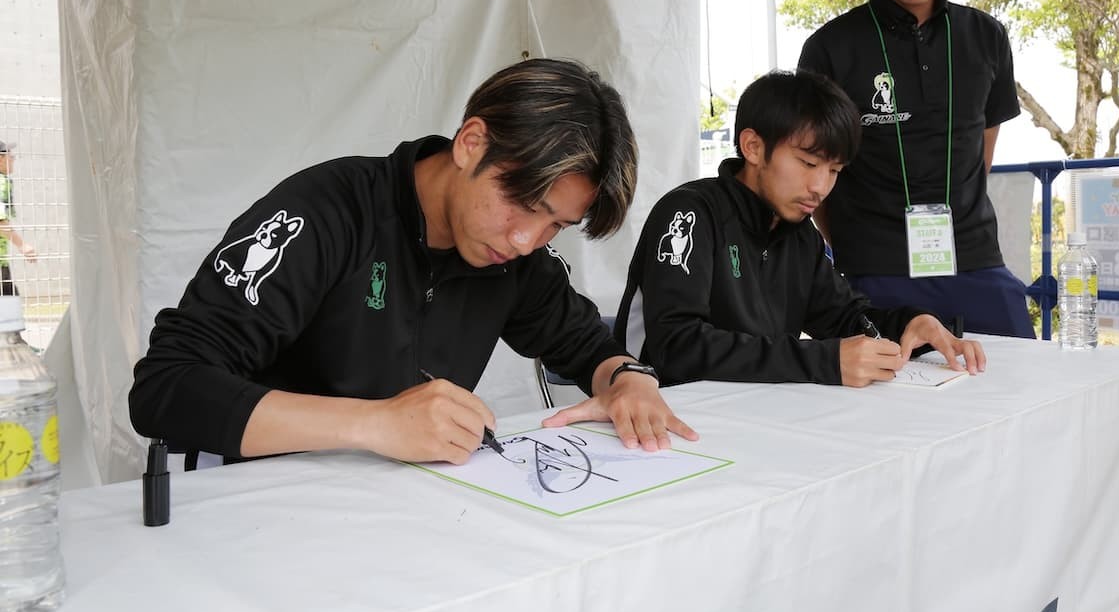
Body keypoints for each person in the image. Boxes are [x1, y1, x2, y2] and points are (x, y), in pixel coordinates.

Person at [129, 58, 697, 465]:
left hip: (410, 520)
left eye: (555, 225)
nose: (527, 239)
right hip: (262, 507)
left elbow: (587, 347)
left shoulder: (516, 260)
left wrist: (628, 379)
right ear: (472, 143)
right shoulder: (325, 213)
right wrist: (374, 423)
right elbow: (166, 388)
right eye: (524, 204)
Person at [615, 70, 984, 388]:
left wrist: (911, 325)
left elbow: (844, 319)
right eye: (808, 163)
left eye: (835, 171)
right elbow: (678, 349)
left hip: (759, 417)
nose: (820, 187)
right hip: (662, 418)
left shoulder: (801, 235)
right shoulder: (690, 214)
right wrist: (825, 361)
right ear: (753, 147)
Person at [796, 0, 1035, 338]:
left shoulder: (986, 37)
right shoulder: (831, 47)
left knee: (1025, 385)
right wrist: (850, 247)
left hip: (974, 262)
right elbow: (814, 165)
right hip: (872, 271)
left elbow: (981, 153)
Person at [0, 141, 37, 296]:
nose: (13, 159)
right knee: (10, 306)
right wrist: (22, 245)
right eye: (10, 155)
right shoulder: (1, 182)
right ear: (1, 158)